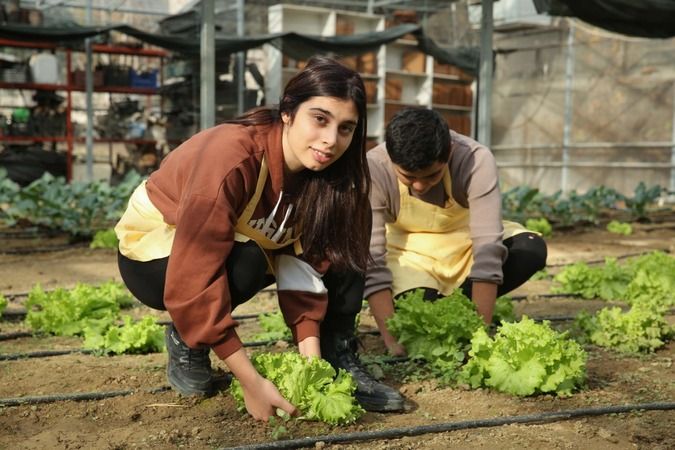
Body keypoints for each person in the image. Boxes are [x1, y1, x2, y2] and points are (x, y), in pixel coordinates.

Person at [114, 56, 402, 420]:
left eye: (345, 128)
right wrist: (252, 382)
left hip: (245, 243)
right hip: (158, 252)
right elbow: (193, 275)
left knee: (343, 238)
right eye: (319, 119)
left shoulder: (334, 176)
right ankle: (189, 338)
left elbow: (307, 265)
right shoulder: (231, 155)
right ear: (287, 112)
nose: (330, 140)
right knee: (246, 261)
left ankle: (338, 354)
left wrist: (308, 369)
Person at [361, 107, 547, 356]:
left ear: (448, 154)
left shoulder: (475, 160)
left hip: (465, 241)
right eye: (408, 176)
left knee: (530, 249)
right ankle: (448, 306)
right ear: (392, 160)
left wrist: (478, 337)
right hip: (408, 253)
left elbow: (488, 250)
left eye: (432, 175)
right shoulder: (374, 167)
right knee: (422, 305)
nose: (420, 185)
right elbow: (372, 259)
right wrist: (392, 340)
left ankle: (462, 310)